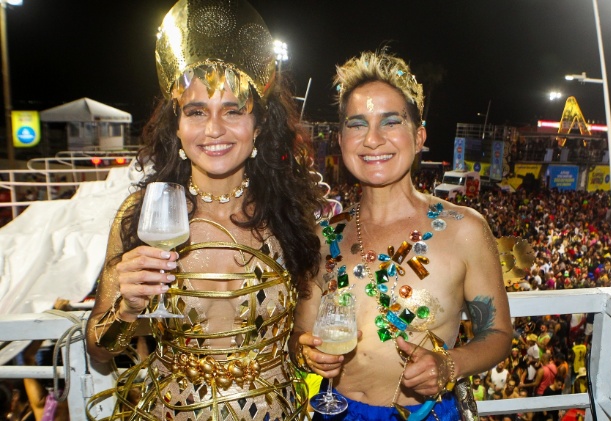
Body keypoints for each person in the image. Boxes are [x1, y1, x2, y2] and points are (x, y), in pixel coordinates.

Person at [84, 0, 324, 419]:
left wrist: (314, 354)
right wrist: (125, 309)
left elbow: (301, 341)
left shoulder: (292, 216)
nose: (214, 130)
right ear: (176, 127)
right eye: (196, 112)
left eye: (233, 111)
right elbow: (99, 350)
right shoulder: (141, 216)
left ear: (259, 126)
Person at [291, 50, 513, 420]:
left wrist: (449, 364)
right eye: (357, 124)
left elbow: (499, 335)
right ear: (342, 138)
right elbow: (300, 334)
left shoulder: (465, 230)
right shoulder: (322, 235)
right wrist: (308, 353)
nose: (373, 139)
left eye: (390, 122)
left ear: (419, 135)